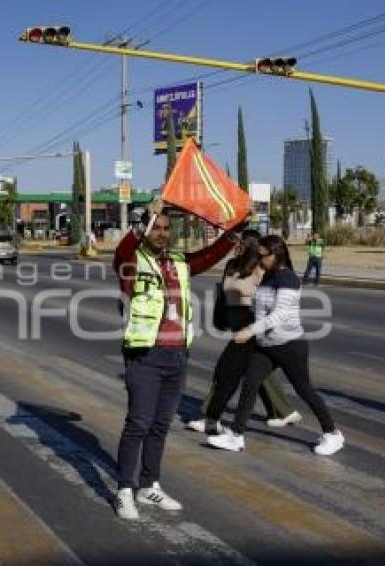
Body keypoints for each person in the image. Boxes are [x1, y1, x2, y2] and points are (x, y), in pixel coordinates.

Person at [112, 202, 243, 520]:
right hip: (144, 354)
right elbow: (123, 248)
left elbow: (208, 256)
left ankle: (149, 484)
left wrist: (232, 233)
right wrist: (146, 217)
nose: (161, 233)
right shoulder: (132, 260)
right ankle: (124, 490)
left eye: (165, 229)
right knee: (138, 424)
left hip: (177, 355)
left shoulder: (179, 262)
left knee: (160, 426)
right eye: (155, 228)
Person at [207, 235, 345, 456]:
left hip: (290, 345)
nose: (261, 260)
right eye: (259, 255)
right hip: (267, 346)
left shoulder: (288, 279)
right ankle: (236, 435)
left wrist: (250, 330)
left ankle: (332, 434)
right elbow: (259, 308)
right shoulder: (267, 277)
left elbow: (279, 315)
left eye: (264, 256)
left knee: (304, 390)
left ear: (277, 254)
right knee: (250, 384)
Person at [185, 229, 301, 435]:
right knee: (254, 373)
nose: (234, 246)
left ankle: (211, 418)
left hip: (251, 326)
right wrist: (220, 318)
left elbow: (271, 298)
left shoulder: (260, 269)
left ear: (249, 245)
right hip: (236, 323)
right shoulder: (232, 265)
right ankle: (283, 411)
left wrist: (261, 323)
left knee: (226, 370)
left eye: (238, 242)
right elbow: (224, 293)